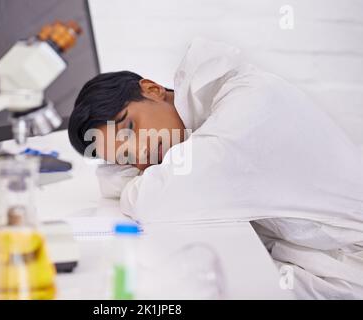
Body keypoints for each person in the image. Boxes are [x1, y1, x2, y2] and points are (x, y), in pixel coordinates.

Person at [68, 38, 363, 299]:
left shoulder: (247, 107)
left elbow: (152, 201)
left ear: (152, 89)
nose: (141, 152)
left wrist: (143, 180)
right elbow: (118, 183)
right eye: (126, 158)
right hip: (312, 259)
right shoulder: (201, 120)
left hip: (348, 272)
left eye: (130, 129)